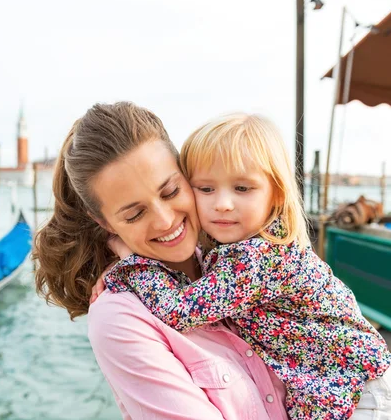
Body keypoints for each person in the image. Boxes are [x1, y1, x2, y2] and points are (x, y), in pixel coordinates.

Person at [101, 113, 391, 420]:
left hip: (362, 395)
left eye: (242, 189)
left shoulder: (256, 258)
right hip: (344, 390)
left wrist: (133, 262)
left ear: (276, 193)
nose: (223, 203)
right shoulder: (240, 248)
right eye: (205, 189)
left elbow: (180, 310)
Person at [33, 102, 289, 419]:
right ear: (106, 223)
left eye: (170, 191)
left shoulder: (237, 261)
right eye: (135, 214)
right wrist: (135, 268)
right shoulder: (119, 318)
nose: (165, 220)